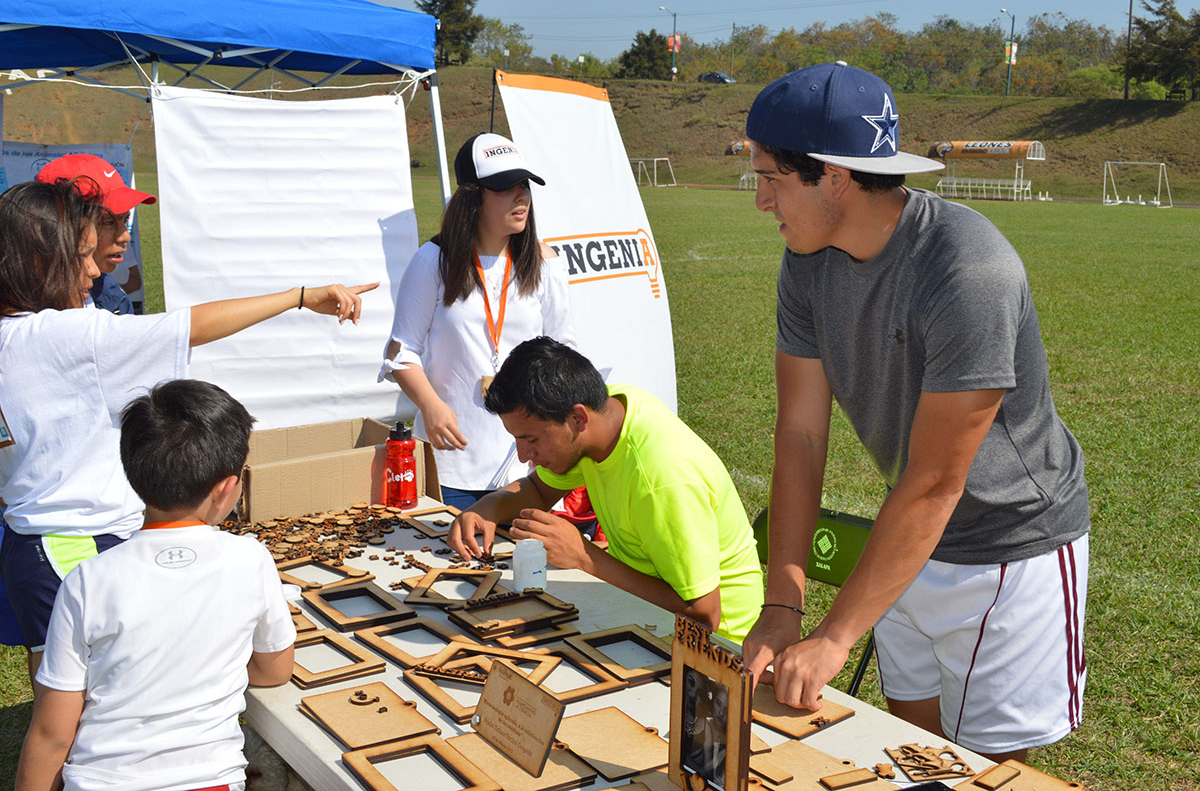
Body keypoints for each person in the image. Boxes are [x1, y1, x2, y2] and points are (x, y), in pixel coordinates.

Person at [740, 62, 1090, 763]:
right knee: (915, 758)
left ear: (834, 176)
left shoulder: (968, 268)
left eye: (771, 178)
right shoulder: (807, 261)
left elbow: (938, 479)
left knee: (987, 773)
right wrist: (784, 604)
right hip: (908, 543)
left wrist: (835, 636)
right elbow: (802, 435)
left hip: (1009, 549)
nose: (760, 201)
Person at [0, 178, 374, 683]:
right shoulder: (66, 335)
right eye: (81, 256)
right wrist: (298, 297)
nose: (93, 271)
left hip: (37, 543)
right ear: (39, 261)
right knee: (94, 696)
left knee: (60, 682)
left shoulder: (18, 333)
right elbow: (189, 325)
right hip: (77, 540)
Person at [16, 379, 295, 791]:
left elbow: (51, 733)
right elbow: (274, 670)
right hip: (207, 783)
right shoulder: (250, 559)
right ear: (225, 490)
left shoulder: (87, 581)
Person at [448, 336, 764, 643]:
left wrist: (585, 558)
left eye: (531, 439)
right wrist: (489, 507)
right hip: (643, 608)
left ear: (578, 417)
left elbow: (703, 615)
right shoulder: (609, 410)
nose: (522, 455)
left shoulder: (661, 478)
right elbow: (539, 489)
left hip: (720, 648)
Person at [381, 133, 576, 512]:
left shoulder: (546, 262)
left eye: (524, 185)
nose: (521, 196)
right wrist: (431, 405)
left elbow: (562, 349)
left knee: (524, 568)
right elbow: (401, 351)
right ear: (472, 195)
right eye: (505, 187)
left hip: (526, 467)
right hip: (452, 461)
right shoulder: (432, 261)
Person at [36, 153, 155, 315]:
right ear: (59, 225)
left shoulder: (114, 298)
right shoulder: (20, 317)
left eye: (125, 221)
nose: (125, 237)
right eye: (108, 222)